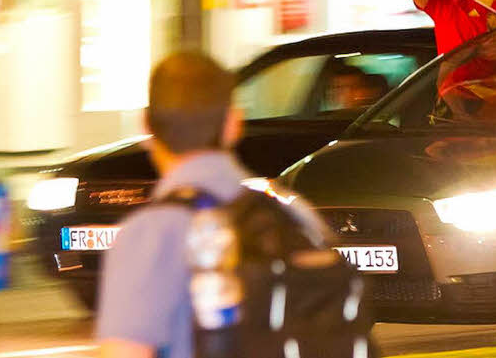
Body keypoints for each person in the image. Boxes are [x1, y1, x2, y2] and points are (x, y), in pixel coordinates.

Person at [97, 52, 328, 358]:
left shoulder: (148, 233)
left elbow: (125, 352)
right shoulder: (295, 215)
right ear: (234, 123)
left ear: (146, 126)